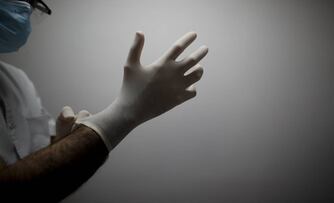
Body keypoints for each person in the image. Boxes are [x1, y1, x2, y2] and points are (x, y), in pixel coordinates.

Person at [0, 0, 209, 202]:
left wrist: (63, 145)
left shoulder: (16, 81)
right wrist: (124, 113)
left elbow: (40, 174)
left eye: (32, 2)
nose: (25, 8)